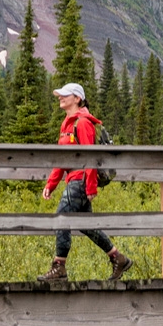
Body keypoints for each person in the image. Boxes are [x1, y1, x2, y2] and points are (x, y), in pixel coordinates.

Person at [37, 82, 132, 282]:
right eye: (59, 95)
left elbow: (91, 157)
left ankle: (59, 266)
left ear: (77, 99)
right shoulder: (67, 124)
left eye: (65, 95)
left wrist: (90, 187)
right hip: (74, 178)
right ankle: (118, 258)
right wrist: (50, 185)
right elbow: (62, 159)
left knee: (61, 218)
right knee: (86, 225)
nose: (60, 98)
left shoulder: (83, 123)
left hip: (80, 180)